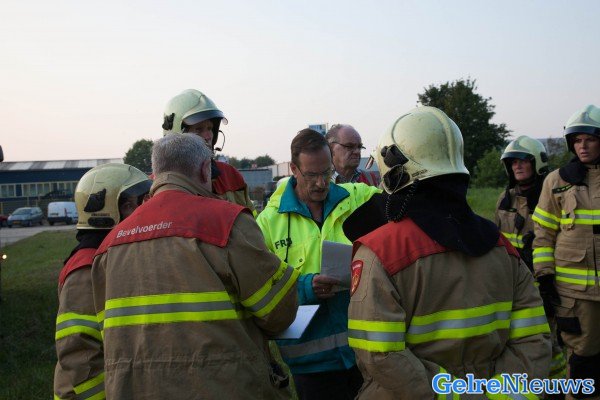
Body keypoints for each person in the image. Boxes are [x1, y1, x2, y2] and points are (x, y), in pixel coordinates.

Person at [347, 106, 551, 399]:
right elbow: (533, 340)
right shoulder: (501, 246)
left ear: (393, 172)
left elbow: (380, 355)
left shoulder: (379, 252)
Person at [91, 133, 299, 399]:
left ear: (155, 174)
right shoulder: (226, 222)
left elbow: (108, 334)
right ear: (204, 170)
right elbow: (279, 312)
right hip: (224, 388)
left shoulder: (109, 245)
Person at [256, 129, 380, 400]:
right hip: (310, 362)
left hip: (363, 352)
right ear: (293, 169)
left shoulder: (355, 198)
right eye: (312, 175)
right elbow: (260, 285)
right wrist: (305, 287)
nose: (322, 183)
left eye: (327, 172)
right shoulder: (267, 223)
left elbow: (397, 202)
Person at [54, 163, 152, 399]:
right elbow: (79, 352)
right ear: (105, 212)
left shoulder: (113, 256)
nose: (145, 210)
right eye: (132, 204)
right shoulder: (85, 268)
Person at [532, 104, 600, 400]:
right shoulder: (557, 181)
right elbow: (543, 235)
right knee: (583, 358)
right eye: (577, 140)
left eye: (590, 139)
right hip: (575, 295)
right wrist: (545, 277)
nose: (582, 146)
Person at [495, 136, 567, 390]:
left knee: (548, 341)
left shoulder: (552, 196)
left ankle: (557, 388)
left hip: (544, 283)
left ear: (537, 163)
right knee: (515, 340)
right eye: (512, 162)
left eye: (523, 160)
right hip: (513, 283)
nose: (517, 166)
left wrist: (548, 283)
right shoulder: (505, 200)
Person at [162, 88, 256, 214]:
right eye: (199, 129)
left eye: (210, 128)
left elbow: (250, 222)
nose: (208, 136)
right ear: (176, 136)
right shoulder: (155, 186)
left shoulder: (230, 176)